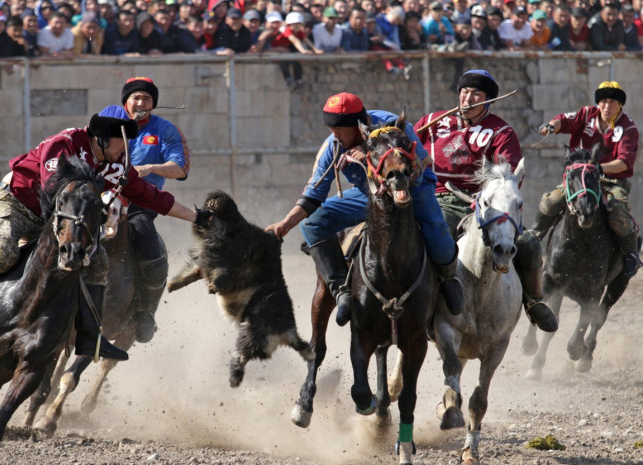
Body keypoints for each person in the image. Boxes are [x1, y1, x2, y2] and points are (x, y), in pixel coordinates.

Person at [0, 112, 208, 361]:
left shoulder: (115, 165)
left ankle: (89, 337)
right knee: (2, 253)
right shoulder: (64, 144)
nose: (126, 149)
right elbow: (54, 187)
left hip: (54, 219)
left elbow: (151, 196)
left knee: (98, 261)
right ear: (103, 139)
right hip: (15, 203)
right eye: (123, 143)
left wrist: (196, 217)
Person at [266, 92, 464, 327]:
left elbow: (423, 164)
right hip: (369, 195)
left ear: (357, 127)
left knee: (435, 226)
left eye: (339, 130)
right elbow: (313, 195)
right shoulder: (333, 146)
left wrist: (371, 153)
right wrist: (285, 224)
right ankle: (341, 291)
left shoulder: (394, 126)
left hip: (411, 187)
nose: (334, 135)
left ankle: (447, 278)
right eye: (331, 129)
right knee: (312, 223)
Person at [414, 69, 557, 332]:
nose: (468, 99)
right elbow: (408, 151)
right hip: (438, 198)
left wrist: (486, 202)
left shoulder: (501, 132)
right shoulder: (431, 122)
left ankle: (533, 302)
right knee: (436, 233)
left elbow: (509, 176)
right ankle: (426, 303)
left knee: (528, 244)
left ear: (488, 100)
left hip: (483, 203)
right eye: (464, 92)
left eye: (476, 94)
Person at [98, 77, 190, 343]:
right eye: (136, 98)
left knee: (148, 239)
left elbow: (180, 168)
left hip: (142, 201)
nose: (141, 103)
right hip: (103, 193)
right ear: (125, 101)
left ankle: (145, 311)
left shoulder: (166, 130)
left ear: (154, 104)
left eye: (147, 99)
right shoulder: (109, 120)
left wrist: (150, 169)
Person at [533, 81, 640, 289]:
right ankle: (533, 237)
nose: (607, 106)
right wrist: (549, 127)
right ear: (598, 103)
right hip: (578, 180)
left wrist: (599, 168)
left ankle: (631, 255)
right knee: (551, 202)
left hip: (611, 181)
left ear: (620, 105)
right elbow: (563, 121)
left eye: (612, 102)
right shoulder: (586, 115)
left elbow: (624, 163)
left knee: (618, 214)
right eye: (604, 101)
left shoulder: (628, 128)